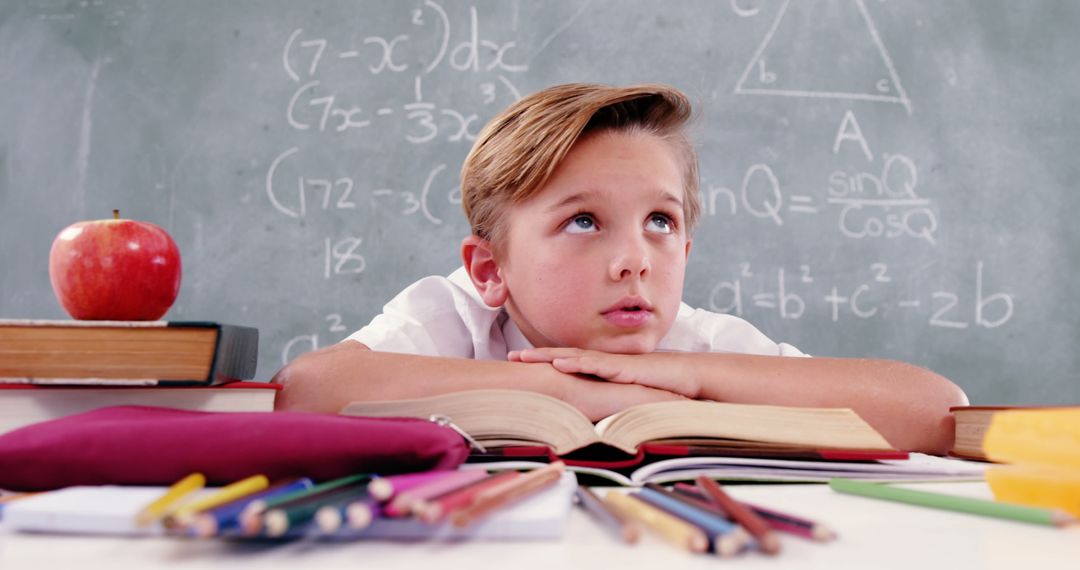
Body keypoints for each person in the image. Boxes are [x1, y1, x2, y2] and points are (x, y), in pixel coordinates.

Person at [273, 83, 968, 454]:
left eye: (661, 223)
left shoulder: (692, 348)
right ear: (490, 269)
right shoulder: (454, 315)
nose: (636, 260)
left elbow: (939, 412)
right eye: (584, 221)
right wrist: (574, 394)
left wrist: (691, 381)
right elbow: (306, 389)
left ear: (685, 252)